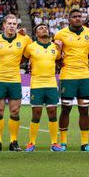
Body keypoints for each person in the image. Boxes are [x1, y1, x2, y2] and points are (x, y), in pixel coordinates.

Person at [53, 8, 89, 151]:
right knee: (66, 109)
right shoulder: (60, 34)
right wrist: (61, 62)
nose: (78, 18)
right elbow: (55, 55)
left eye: (80, 16)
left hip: (84, 76)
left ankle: (85, 143)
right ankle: (63, 143)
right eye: (75, 17)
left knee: (84, 110)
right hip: (68, 77)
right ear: (69, 19)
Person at [0, 14, 31, 152]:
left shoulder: (25, 40)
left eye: (14, 24)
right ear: (4, 25)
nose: (12, 26)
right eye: (10, 23)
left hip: (15, 80)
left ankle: (13, 141)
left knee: (15, 111)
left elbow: (28, 55)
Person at [23, 23, 63, 152]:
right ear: (36, 34)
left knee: (52, 113)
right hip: (37, 84)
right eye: (40, 28)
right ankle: (31, 143)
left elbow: (59, 62)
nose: (44, 29)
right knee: (36, 113)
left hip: (51, 83)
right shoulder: (30, 47)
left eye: (45, 27)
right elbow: (21, 60)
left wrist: (61, 50)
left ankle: (54, 143)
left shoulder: (55, 47)